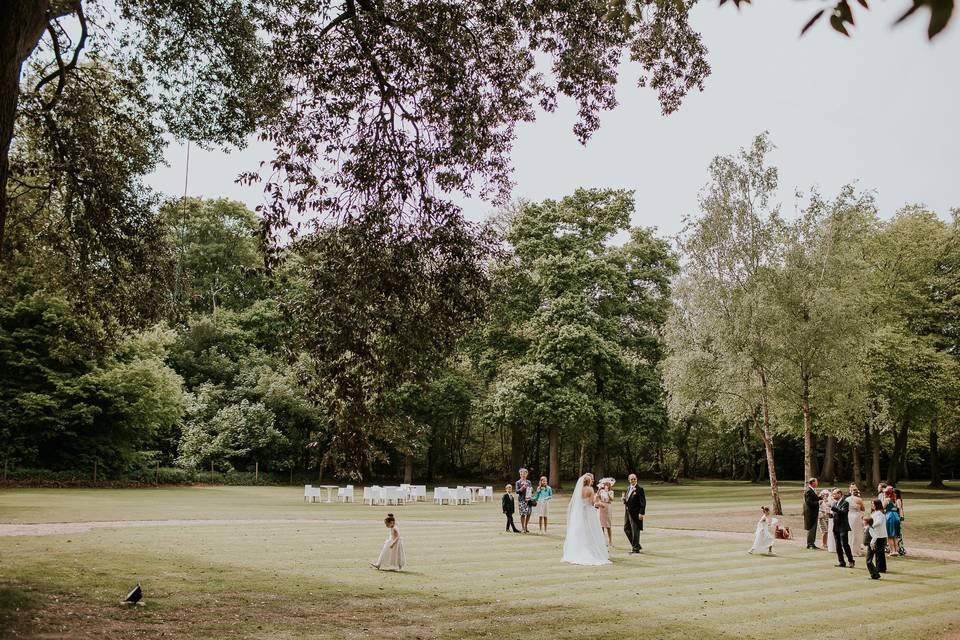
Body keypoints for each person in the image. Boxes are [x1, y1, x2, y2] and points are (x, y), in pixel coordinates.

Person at [562, 473, 610, 565]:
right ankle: (592, 551)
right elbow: (592, 503)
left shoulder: (580, 489)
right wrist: (599, 503)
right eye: (591, 480)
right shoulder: (590, 489)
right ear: (589, 481)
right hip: (589, 512)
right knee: (591, 530)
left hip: (581, 513)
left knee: (582, 531)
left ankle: (578, 551)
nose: (592, 481)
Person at [830, 488, 855, 568]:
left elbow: (843, 512)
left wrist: (835, 509)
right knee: (837, 545)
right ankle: (841, 562)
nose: (833, 496)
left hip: (843, 526)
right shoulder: (834, 503)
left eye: (834, 494)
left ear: (840, 494)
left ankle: (851, 560)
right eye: (833, 494)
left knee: (844, 544)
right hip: (836, 527)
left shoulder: (845, 503)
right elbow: (835, 514)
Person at [622, 473, 646, 554]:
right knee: (626, 529)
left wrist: (641, 513)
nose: (633, 480)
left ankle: (635, 549)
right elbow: (628, 501)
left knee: (635, 530)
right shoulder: (628, 488)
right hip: (627, 512)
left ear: (636, 479)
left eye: (634, 479)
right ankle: (636, 545)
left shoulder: (640, 489)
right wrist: (624, 500)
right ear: (629, 480)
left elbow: (643, 502)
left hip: (636, 513)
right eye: (631, 479)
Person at [866, 498, 888, 576]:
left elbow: (878, 522)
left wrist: (870, 525)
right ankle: (879, 567)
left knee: (879, 552)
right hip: (877, 534)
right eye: (871, 503)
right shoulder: (875, 513)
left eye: (873, 504)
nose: (872, 505)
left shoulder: (880, 513)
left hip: (880, 535)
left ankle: (881, 568)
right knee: (878, 552)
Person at [847, 485, 865, 555]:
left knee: (850, 533)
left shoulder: (847, 499)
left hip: (849, 516)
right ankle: (855, 550)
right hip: (856, 516)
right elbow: (863, 509)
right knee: (856, 533)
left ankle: (849, 549)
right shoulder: (859, 499)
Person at [596, 478, 615, 546]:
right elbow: (597, 497)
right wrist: (599, 490)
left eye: (607, 484)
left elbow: (612, 499)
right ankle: (602, 541)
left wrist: (607, 492)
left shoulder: (611, 491)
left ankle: (610, 541)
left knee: (608, 526)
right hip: (601, 507)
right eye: (605, 484)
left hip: (608, 507)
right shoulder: (601, 491)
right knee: (601, 526)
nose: (606, 485)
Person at [883, 486, 902, 556]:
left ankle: (892, 551)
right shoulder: (895, 499)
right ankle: (896, 550)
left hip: (890, 516)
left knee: (889, 535)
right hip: (896, 516)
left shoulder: (887, 499)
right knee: (895, 536)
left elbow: (882, 508)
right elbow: (898, 508)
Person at [803, 478, 820, 549]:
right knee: (811, 528)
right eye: (816, 481)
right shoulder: (808, 491)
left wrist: (820, 498)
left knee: (814, 528)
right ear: (812, 483)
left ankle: (812, 543)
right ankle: (810, 544)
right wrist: (818, 502)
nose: (817, 483)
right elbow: (809, 502)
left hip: (814, 512)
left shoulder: (812, 490)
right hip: (810, 513)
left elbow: (813, 499)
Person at [515, 468, 533, 534]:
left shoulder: (529, 482)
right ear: (520, 474)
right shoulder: (518, 482)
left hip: (528, 500)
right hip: (522, 500)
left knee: (529, 514)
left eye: (525, 474)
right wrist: (522, 487)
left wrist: (531, 489)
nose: (523, 475)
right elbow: (517, 491)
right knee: (523, 514)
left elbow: (531, 491)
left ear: (527, 474)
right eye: (522, 474)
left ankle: (526, 527)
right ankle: (522, 528)